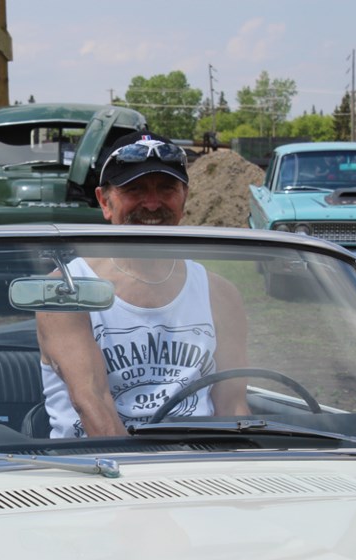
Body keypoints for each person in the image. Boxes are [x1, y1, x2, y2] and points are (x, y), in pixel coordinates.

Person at [36, 132, 249, 438]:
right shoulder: (67, 290)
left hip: (203, 467)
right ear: (104, 202)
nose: (152, 204)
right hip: (96, 468)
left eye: (166, 189)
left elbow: (232, 406)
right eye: (134, 190)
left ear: (184, 197)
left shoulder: (219, 294)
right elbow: (93, 403)